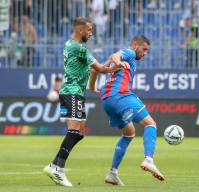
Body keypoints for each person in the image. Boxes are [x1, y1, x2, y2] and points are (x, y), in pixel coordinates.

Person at [43, 17, 125, 187]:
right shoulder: (78, 48)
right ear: (80, 30)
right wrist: (116, 65)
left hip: (75, 92)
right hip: (71, 92)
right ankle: (57, 168)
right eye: (89, 29)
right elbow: (100, 69)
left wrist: (92, 84)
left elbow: (92, 68)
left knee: (79, 132)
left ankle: (54, 165)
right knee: (74, 131)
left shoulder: (69, 44)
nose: (91, 33)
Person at [96, 35, 164, 186]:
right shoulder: (130, 52)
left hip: (106, 100)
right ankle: (149, 159)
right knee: (150, 124)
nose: (145, 53)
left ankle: (112, 173)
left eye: (147, 51)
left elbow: (98, 68)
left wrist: (91, 86)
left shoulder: (126, 56)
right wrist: (119, 61)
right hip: (120, 95)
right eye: (144, 49)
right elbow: (116, 56)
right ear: (135, 44)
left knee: (129, 133)